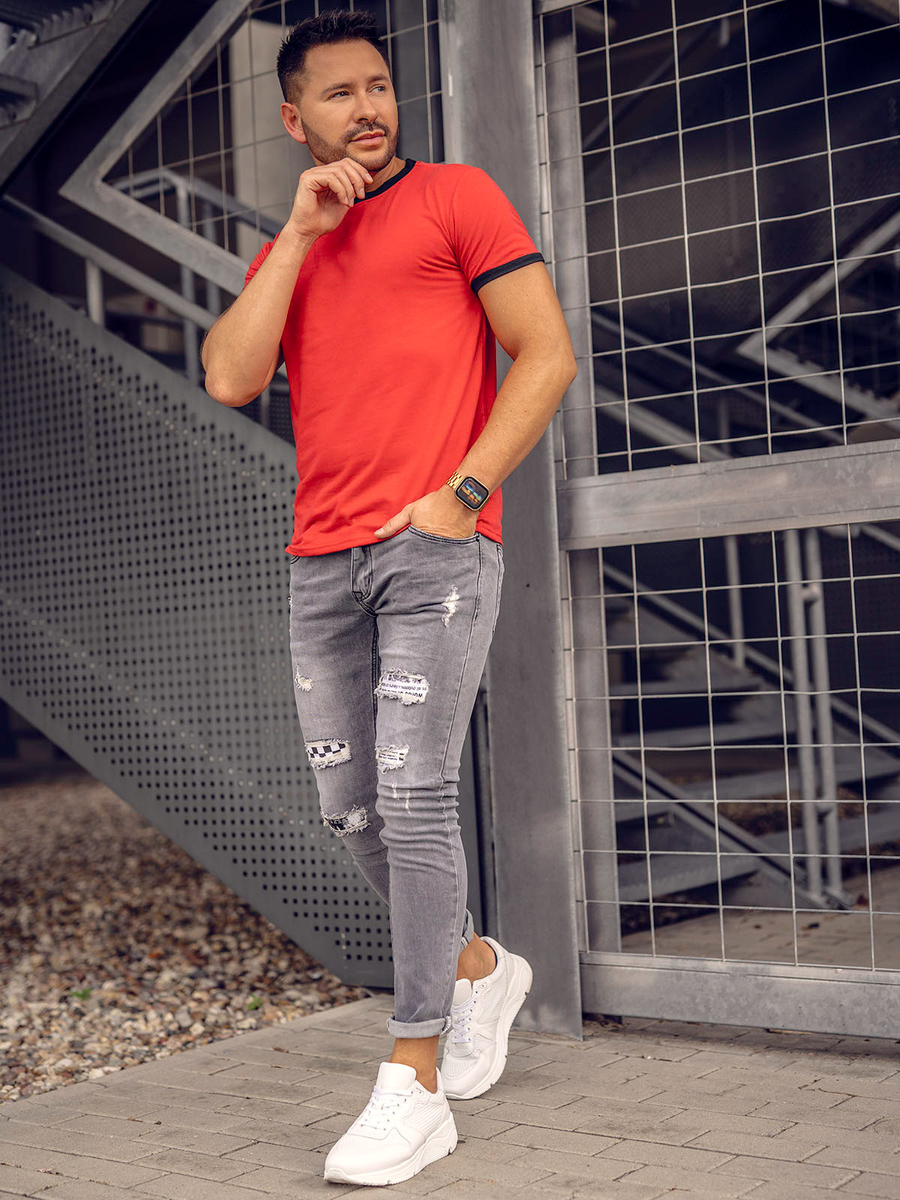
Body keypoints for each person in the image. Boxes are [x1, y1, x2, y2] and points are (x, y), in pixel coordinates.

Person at [201, 7, 576, 1187]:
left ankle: (413, 1078)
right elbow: (230, 377)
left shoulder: (456, 198)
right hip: (322, 562)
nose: (368, 107)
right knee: (351, 812)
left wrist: (462, 494)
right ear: (294, 118)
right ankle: (478, 973)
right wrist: (299, 235)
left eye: (378, 85)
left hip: (431, 551)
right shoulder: (297, 244)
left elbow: (547, 352)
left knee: (413, 798)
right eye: (340, 93)